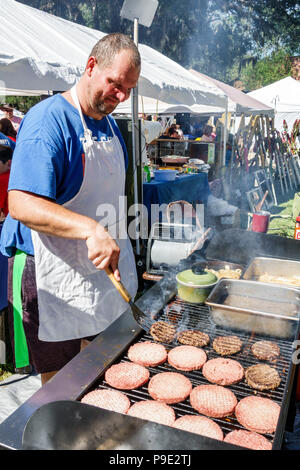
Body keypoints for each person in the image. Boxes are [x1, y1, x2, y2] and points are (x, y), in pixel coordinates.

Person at [0, 33, 141, 384]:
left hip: (96, 270)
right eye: (115, 84)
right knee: (60, 382)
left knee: (98, 369)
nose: (121, 96)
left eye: (128, 89)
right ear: (91, 66)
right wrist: (91, 229)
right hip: (48, 271)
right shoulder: (49, 121)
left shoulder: (110, 125)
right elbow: (21, 203)